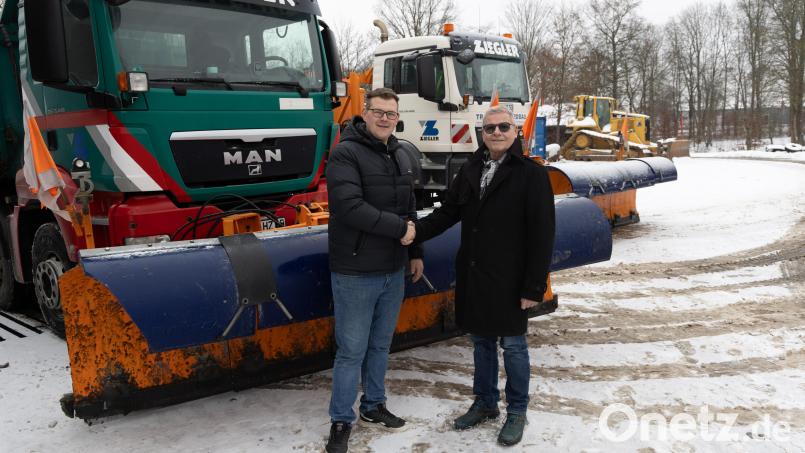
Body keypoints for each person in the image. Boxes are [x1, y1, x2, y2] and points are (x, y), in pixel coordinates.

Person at [405, 106, 555, 446]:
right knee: (481, 343)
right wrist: (415, 233)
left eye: (504, 127)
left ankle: (517, 409)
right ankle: (485, 402)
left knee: (513, 345)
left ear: (514, 132)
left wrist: (534, 285)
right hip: (475, 275)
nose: (497, 133)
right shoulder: (471, 168)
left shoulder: (531, 175)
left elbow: (543, 234)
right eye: (490, 128)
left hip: (511, 278)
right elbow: (447, 213)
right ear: (482, 134)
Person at [324, 87, 424, 453]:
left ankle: (373, 406)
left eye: (391, 113)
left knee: (381, 344)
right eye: (379, 112)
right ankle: (340, 419)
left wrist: (414, 250)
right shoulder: (345, 153)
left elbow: (410, 205)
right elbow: (349, 207)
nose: (385, 118)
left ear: (397, 117)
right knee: (352, 350)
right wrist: (401, 230)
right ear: (365, 114)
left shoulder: (399, 153)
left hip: (392, 269)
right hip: (355, 270)